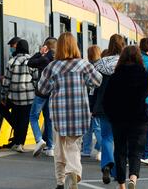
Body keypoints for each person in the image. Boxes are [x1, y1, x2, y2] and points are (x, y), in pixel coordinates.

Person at [38, 32, 102, 189]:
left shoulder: (52, 67)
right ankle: (73, 173)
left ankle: (61, 182)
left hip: (59, 115)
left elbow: (42, 89)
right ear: (75, 46)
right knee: (73, 146)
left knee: (59, 149)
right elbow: (97, 81)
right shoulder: (83, 65)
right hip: (79, 114)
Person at [103, 45, 148, 189]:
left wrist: (111, 115)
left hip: (119, 119)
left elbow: (107, 100)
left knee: (120, 150)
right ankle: (133, 178)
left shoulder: (115, 76)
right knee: (136, 151)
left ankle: (122, 184)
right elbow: (144, 96)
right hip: (138, 118)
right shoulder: (145, 76)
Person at [94, 34, 126, 184]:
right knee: (119, 138)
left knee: (106, 136)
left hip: (104, 105)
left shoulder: (100, 63)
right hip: (121, 106)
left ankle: (107, 164)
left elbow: (93, 85)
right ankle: (115, 171)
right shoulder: (126, 63)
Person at [1, 39, 38, 153]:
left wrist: (3, 96)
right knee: (24, 120)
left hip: (15, 97)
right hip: (29, 97)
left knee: (14, 117)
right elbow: (36, 78)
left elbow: (6, 81)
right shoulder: (32, 61)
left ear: (17, 48)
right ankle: (20, 144)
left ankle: (17, 141)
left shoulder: (11, 62)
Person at [28, 37, 57, 157]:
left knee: (33, 116)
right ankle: (50, 147)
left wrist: (39, 53)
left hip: (42, 92)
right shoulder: (57, 59)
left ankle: (39, 140)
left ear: (46, 46)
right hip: (53, 93)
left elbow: (30, 62)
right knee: (48, 119)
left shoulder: (44, 58)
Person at [82, 45, 102, 160]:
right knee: (97, 127)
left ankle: (86, 150)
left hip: (91, 102)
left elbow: (91, 87)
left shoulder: (91, 68)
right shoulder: (102, 66)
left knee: (89, 128)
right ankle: (99, 148)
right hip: (98, 102)